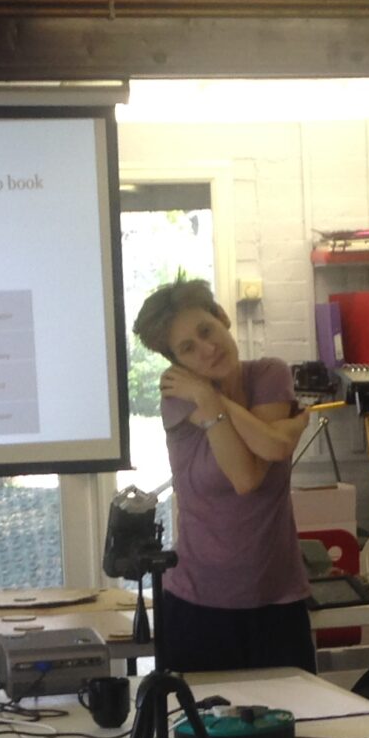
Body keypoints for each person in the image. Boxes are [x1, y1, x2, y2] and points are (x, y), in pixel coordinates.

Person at [133, 276, 313, 673]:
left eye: (206, 330)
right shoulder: (178, 399)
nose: (208, 349)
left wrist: (212, 399)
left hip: (277, 600)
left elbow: (271, 449)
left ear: (222, 317)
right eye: (188, 349)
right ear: (178, 365)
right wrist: (286, 430)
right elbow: (248, 476)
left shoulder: (269, 374)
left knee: (293, 730)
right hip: (197, 605)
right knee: (199, 733)